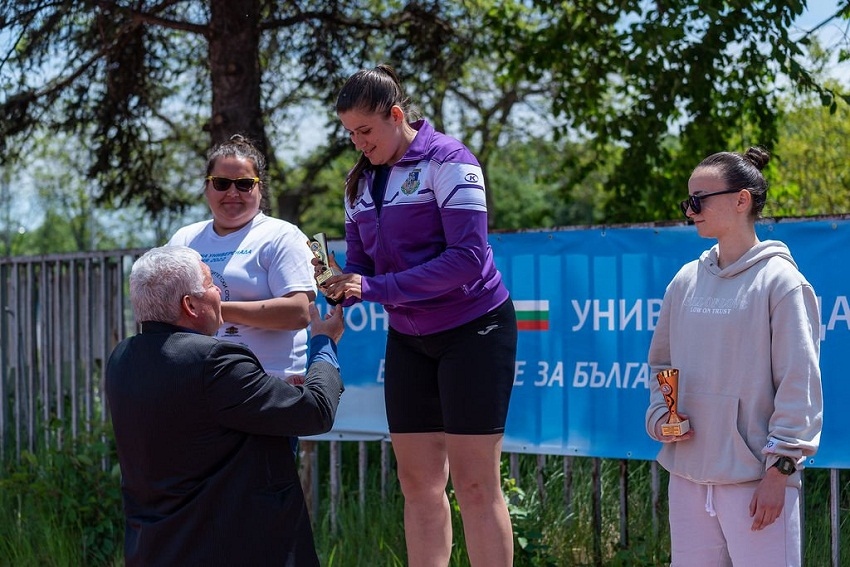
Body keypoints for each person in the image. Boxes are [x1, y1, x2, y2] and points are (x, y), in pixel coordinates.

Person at [320, 64, 517, 567]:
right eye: (349, 134)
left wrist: (375, 286)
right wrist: (342, 283)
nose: (358, 143)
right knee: (418, 484)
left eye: (365, 130)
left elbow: (468, 257)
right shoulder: (359, 182)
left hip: (474, 330)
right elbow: (363, 266)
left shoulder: (449, 158)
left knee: (475, 485)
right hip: (409, 337)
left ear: (397, 115)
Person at [106, 245, 344, 566]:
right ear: (190, 305)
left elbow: (202, 431)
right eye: (210, 284)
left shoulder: (122, 359)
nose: (219, 291)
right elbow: (315, 410)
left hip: (155, 550)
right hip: (229, 548)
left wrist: (270, 399)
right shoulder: (213, 360)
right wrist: (323, 345)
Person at [645, 146, 823, 566]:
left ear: (741, 200)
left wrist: (780, 471)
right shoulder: (685, 279)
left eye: (699, 200)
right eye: (688, 201)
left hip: (755, 482)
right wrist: (660, 417)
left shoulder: (783, 283)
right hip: (687, 478)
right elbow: (660, 365)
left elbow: (800, 381)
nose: (690, 211)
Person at [168, 134, 317, 382]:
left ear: (260, 188)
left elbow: (300, 312)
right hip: (199, 382)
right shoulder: (184, 239)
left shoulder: (281, 236)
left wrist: (217, 310)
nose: (233, 192)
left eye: (244, 183)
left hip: (269, 383)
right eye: (221, 183)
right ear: (207, 187)